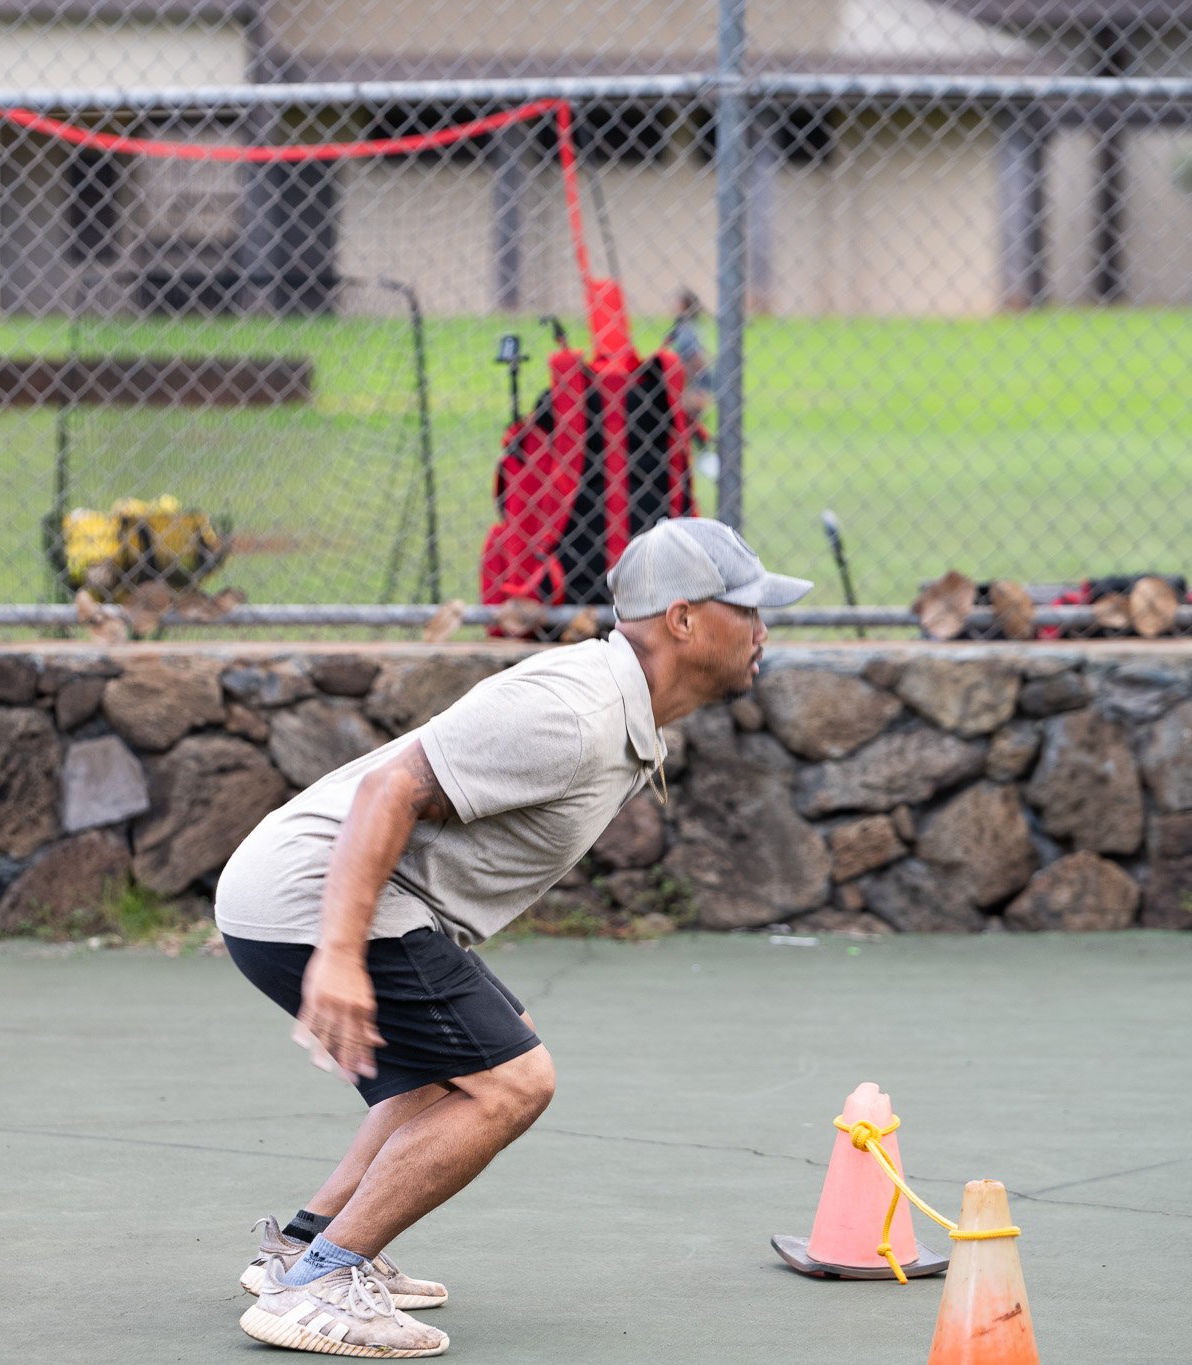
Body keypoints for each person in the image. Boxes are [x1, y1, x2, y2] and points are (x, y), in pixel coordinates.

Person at [214, 518, 814, 1357]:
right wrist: (341, 955)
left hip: (337, 895)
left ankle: (304, 1242)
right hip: (309, 895)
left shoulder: (614, 707)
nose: (762, 629)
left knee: (469, 1060)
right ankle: (320, 1280)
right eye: (747, 609)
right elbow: (390, 790)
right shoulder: (574, 712)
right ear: (682, 619)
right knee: (510, 1082)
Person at [667, 288, 719, 481]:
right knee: (688, 423)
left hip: (693, 385)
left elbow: (696, 360)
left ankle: (707, 456)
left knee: (688, 421)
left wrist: (688, 382)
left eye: (676, 301)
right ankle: (704, 456)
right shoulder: (685, 327)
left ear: (684, 306)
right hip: (693, 384)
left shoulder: (685, 330)